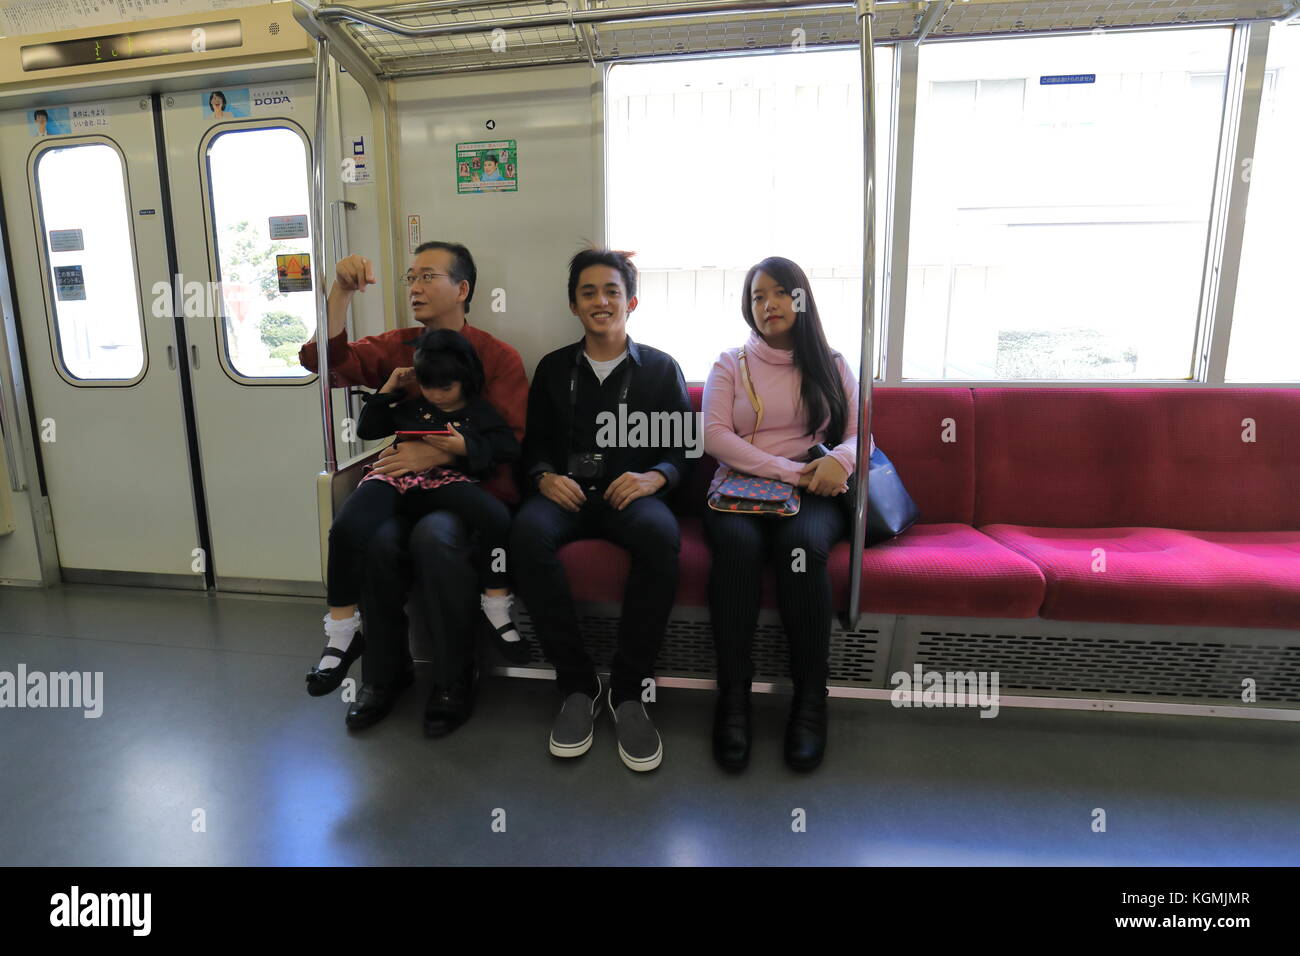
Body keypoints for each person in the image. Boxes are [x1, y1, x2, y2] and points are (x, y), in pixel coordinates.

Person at [298, 242, 529, 735]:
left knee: (435, 537)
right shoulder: (398, 348)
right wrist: (338, 291)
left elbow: (510, 443)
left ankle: (453, 678)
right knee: (377, 542)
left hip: (460, 489)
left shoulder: (497, 357)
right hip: (401, 484)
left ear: (462, 289)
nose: (415, 288)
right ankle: (385, 675)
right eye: (410, 278)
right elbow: (323, 361)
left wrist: (440, 452)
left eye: (428, 276)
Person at [511, 248, 691, 772]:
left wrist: (655, 477)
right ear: (573, 304)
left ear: (631, 301)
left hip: (629, 498)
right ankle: (578, 685)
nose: (600, 300)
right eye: (588, 292)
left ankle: (629, 690)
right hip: (567, 496)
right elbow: (534, 446)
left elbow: (682, 449)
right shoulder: (551, 368)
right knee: (525, 535)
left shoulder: (660, 368)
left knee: (662, 539)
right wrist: (544, 478)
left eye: (612, 291)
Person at [701, 256, 868, 772]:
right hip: (741, 489)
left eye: (779, 293)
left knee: (801, 550)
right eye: (756, 296)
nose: (767, 304)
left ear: (800, 299)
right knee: (738, 547)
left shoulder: (832, 363)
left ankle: (810, 703)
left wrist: (838, 460)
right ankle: (733, 700)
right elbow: (713, 435)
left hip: (814, 490)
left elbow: (862, 433)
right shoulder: (731, 363)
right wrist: (784, 471)